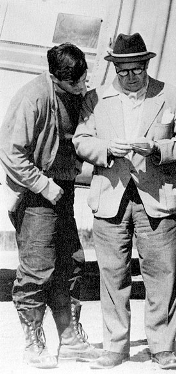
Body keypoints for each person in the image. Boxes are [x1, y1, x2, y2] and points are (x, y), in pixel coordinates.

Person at [73, 32, 176, 370]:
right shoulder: (95, 99)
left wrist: (157, 149)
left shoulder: (171, 95)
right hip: (110, 196)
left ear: (147, 65)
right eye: (124, 70)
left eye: (137, 69)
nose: (130, 76)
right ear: (114, 66)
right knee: (112, 273)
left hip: (156, 197)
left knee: (163, 274)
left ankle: (162, 348)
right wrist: (106, 150)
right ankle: (115, 346)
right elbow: (81, 139)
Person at [0, 43, 102, 368]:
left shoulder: (80, 92)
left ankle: (70, 339)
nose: (84, 87)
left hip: (64, 191)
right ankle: (33, 343)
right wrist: (44, 185)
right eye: (77, 83)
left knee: (70, 263)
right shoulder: (33, 97)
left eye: (85, 79)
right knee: (36, 269)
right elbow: (11, 151)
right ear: (57, 79)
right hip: (36, 195)